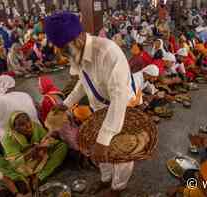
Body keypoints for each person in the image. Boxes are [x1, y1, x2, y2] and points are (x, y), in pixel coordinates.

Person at [44, 11, 137, 197]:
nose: (62, 54)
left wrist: (105, 139)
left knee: (120, 154)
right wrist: (67, 104)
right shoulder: (78, 52)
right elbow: (84, 81)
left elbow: (119, 99)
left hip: (121, 109)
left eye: (64, 49)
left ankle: (117, 188)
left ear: (78, 38)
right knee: (100, 152)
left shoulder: (108, 53)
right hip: (98, 109)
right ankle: (105, 179)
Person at [0, 112, 68, 183]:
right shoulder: (9, 138)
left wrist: (47, 142)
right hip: (25, 163)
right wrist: (29, 154)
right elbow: (14, 162)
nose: (28, 125)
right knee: (3, 166)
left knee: (62, 146)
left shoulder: (35, 126)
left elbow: (46, 139)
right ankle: (34, 176)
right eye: (22, 124)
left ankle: (40, 176)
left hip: (41, 155)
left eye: (28, 120)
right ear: (15, 128)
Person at [0, 75, 40, 143]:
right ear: (13, 84)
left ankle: (0, 151)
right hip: (37, 135)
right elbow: (37, 110)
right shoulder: (25, 95)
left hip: (13, 144)